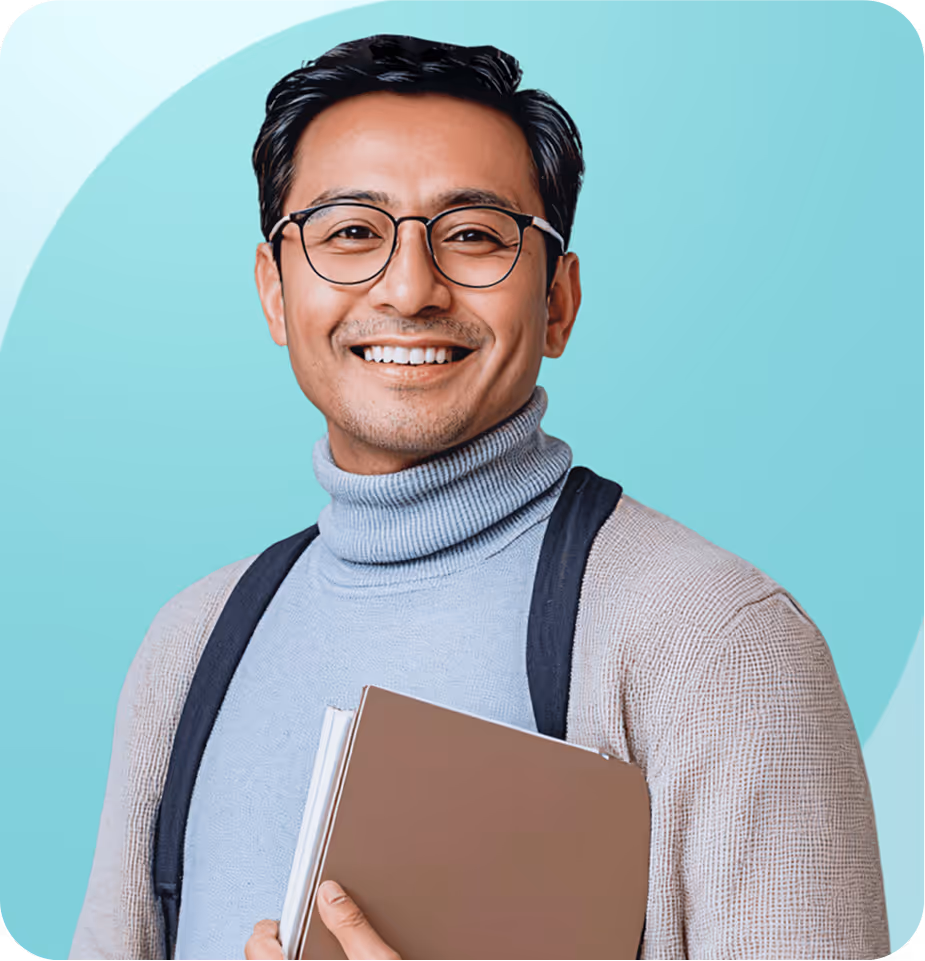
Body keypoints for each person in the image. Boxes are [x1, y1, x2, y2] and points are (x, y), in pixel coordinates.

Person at [69, 34, 889, 961]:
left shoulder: (712, 639)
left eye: (472, 235)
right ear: (273, 290)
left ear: (557, 303)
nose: (411, 288)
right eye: (350, 231)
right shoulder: (190, 644)